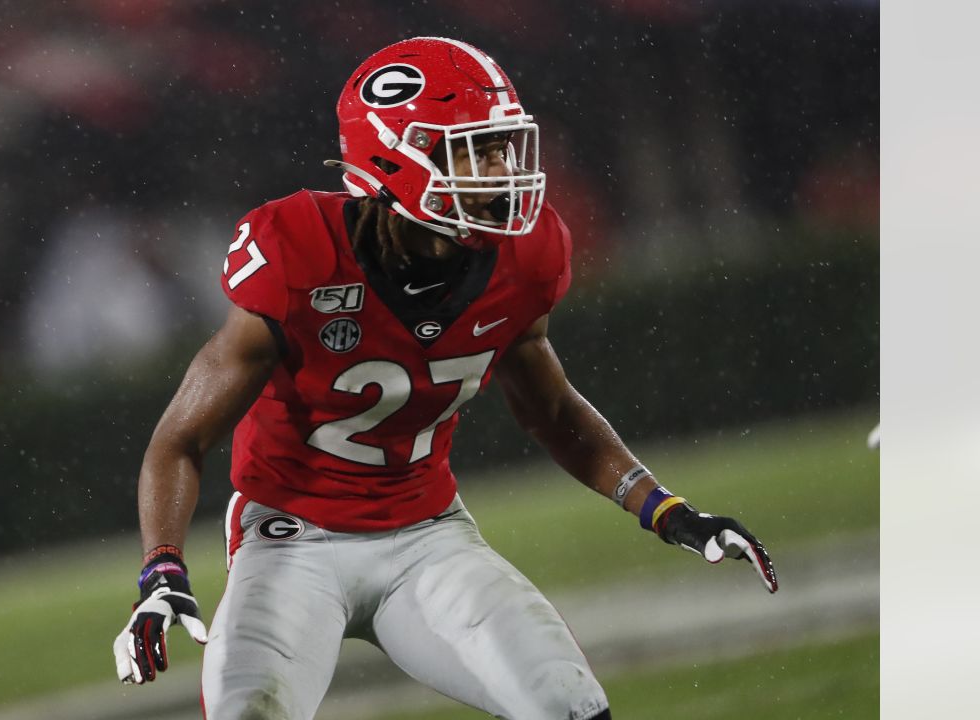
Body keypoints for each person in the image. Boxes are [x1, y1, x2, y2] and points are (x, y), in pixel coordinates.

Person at [112, 36, 777, 720]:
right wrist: (161, 569)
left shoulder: (527, 254)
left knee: (572, 708)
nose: (501, 169)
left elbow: (553, 412)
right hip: (290, 541)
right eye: (475, 150)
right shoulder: (295, 249)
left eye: (502, 147)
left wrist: (667, 512)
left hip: (428, 536)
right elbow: (178, 443)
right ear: (393, 158)